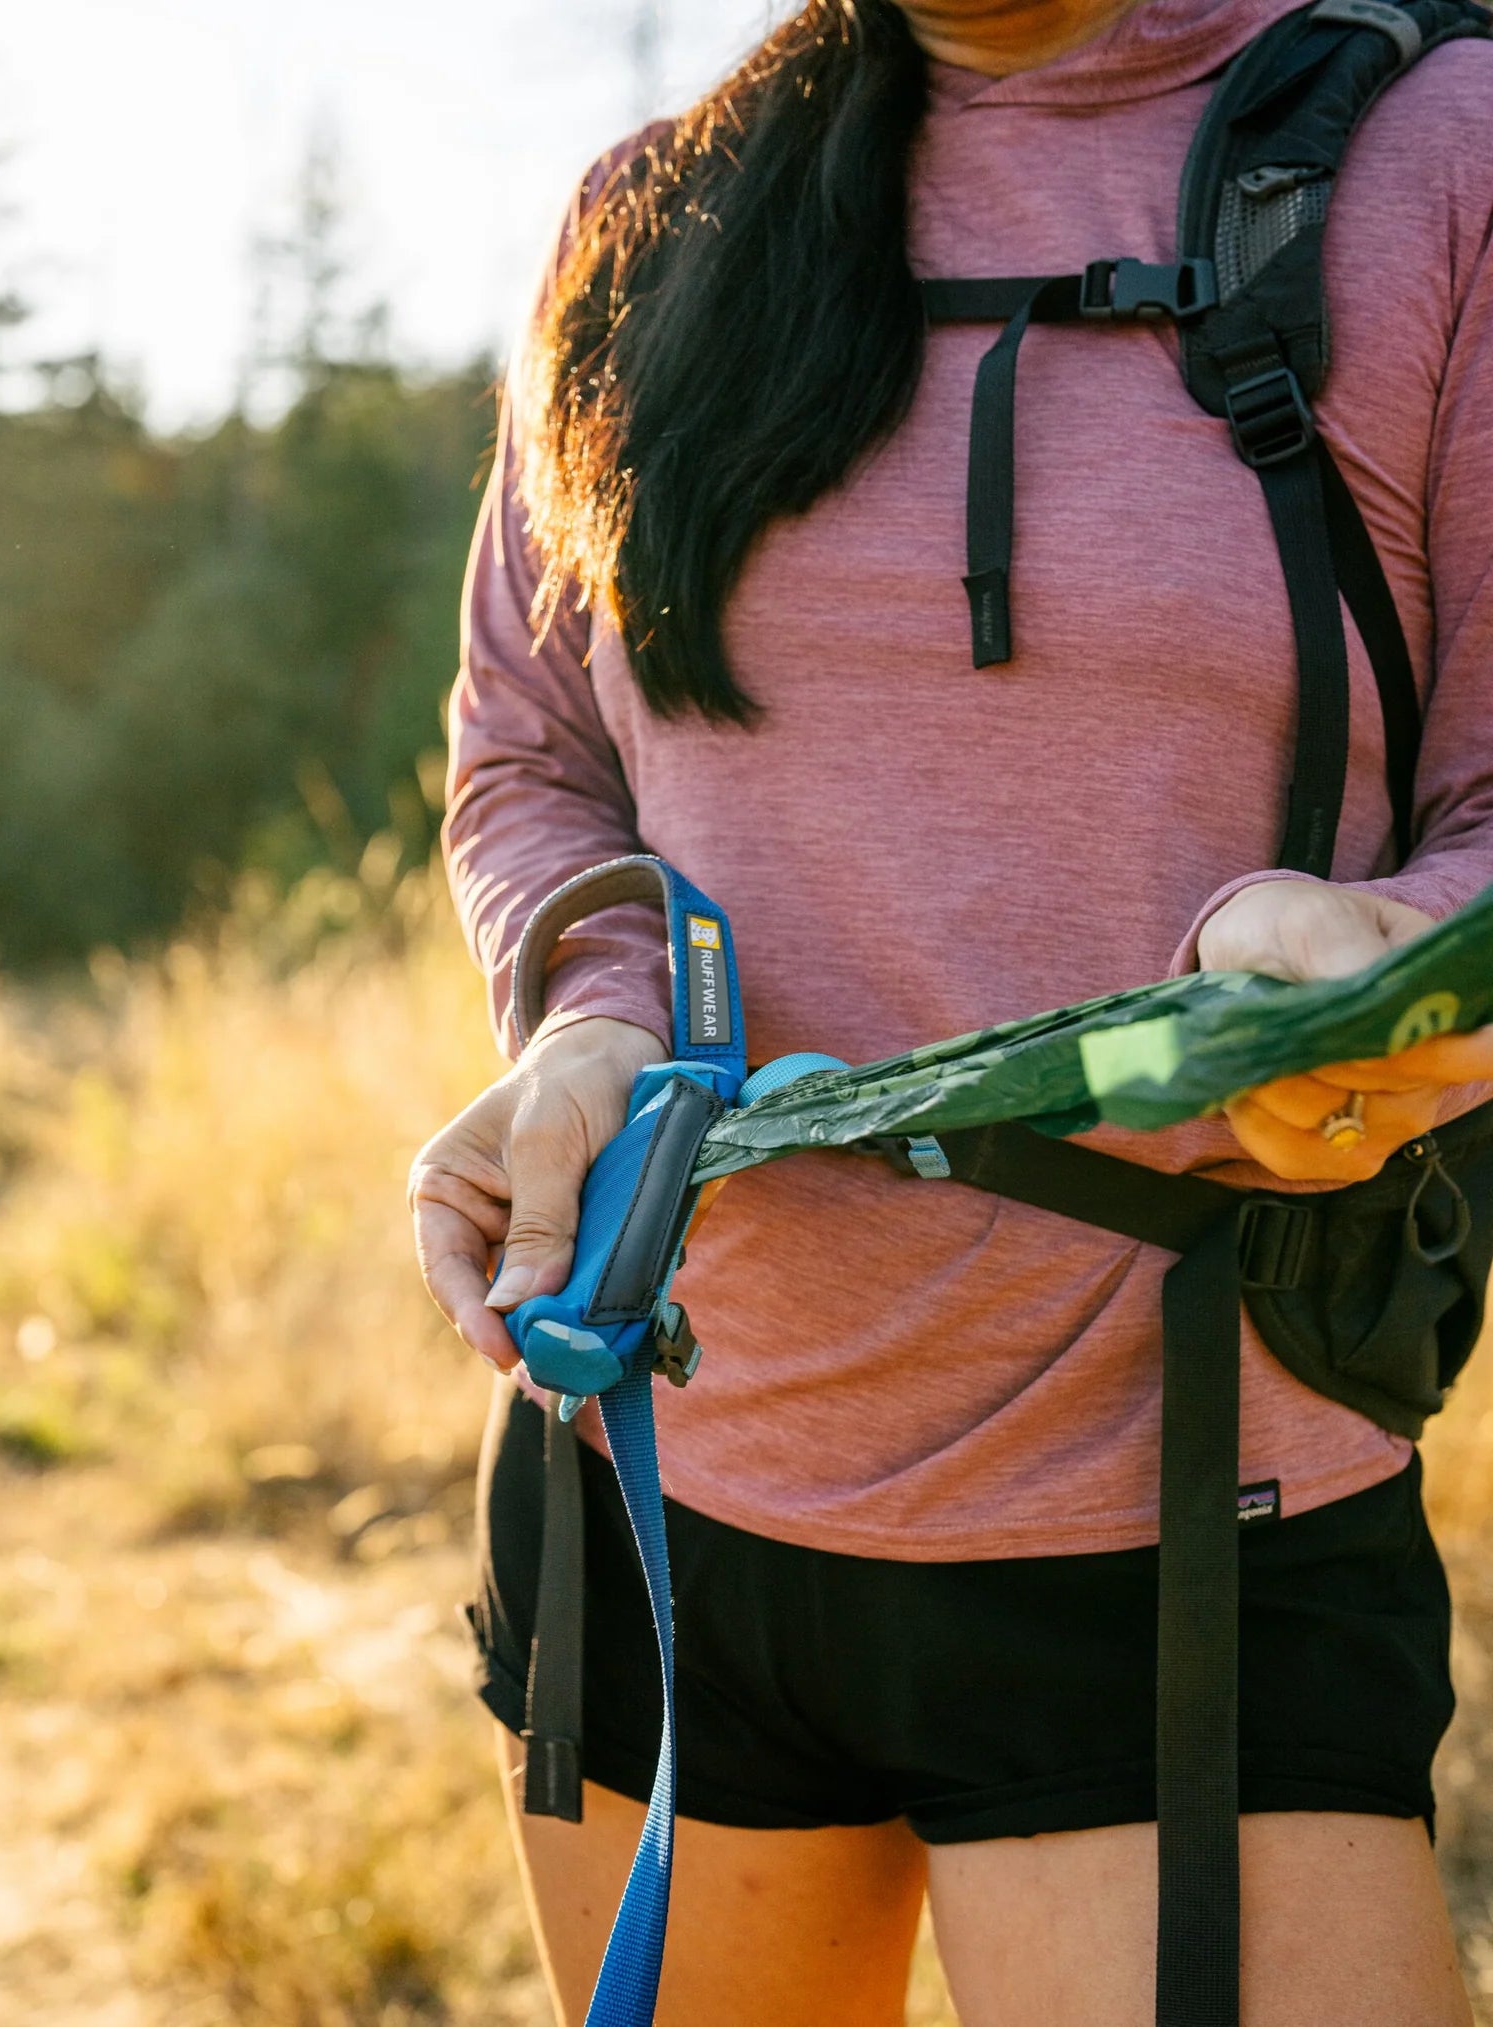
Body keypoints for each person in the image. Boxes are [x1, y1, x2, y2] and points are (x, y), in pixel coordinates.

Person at [408, 0, 1493, 2020]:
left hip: (1178, 1496)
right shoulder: (649, 214)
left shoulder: (1446, 161)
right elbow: (535, 747)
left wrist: (1388, 968)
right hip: (647, 1462)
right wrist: (591, 1015)